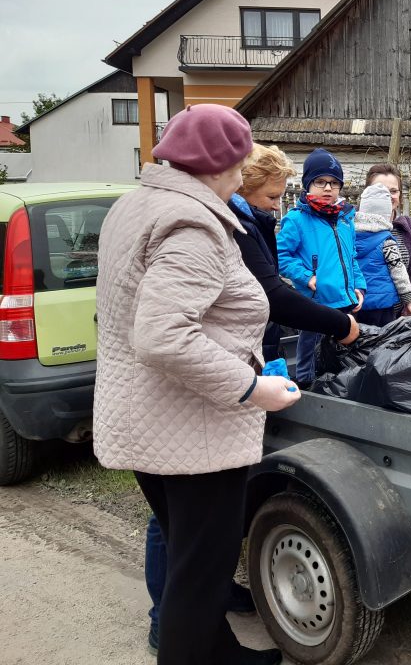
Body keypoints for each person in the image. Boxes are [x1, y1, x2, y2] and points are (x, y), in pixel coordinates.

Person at [94, 104, 300, 665]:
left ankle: (223, 655)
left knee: (193, 561)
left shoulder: (135, 205)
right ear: (215, 164)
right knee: (199, 575)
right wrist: (254, 389)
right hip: (193, 436)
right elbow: (162, 337)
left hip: (148, 421)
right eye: (238, 160)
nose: (243, 171)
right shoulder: (193, 225)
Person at [143, 143, 361, 654]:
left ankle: (215, 595)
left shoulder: (241, 217)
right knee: (175, 518)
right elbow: (269, 295)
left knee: (206, 517)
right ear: (236, 184)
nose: (274, 204)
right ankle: (164, 616)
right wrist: (337, 323)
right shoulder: (211, 227)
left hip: (234, 369)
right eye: (269, 194)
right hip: (194, 388)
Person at [277, 148, 365, 387]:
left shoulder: (345, 219)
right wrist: (306, 277)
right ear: (308, 184)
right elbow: (279, 255)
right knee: (309, 365)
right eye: (320, 181)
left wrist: (359, 286)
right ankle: (308, 394)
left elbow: (352, 258)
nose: (328, 188)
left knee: (340, 364)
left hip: (345, 303)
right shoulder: (297, 219)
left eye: (334, 183)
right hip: (314, 305)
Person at [365, 163, 411, 317]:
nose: (387, 196)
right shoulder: (349, 229)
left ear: (400, 195)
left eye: (393, 191)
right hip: (358, 322)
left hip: (403, 325)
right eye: (380, 190)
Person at [353, 182, 411, 325]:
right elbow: (398, 272)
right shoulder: (387, 242)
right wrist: (408, 300)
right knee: (383, 341)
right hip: (382, 304)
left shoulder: (348, 238)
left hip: (356, 300)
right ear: (386, 215)